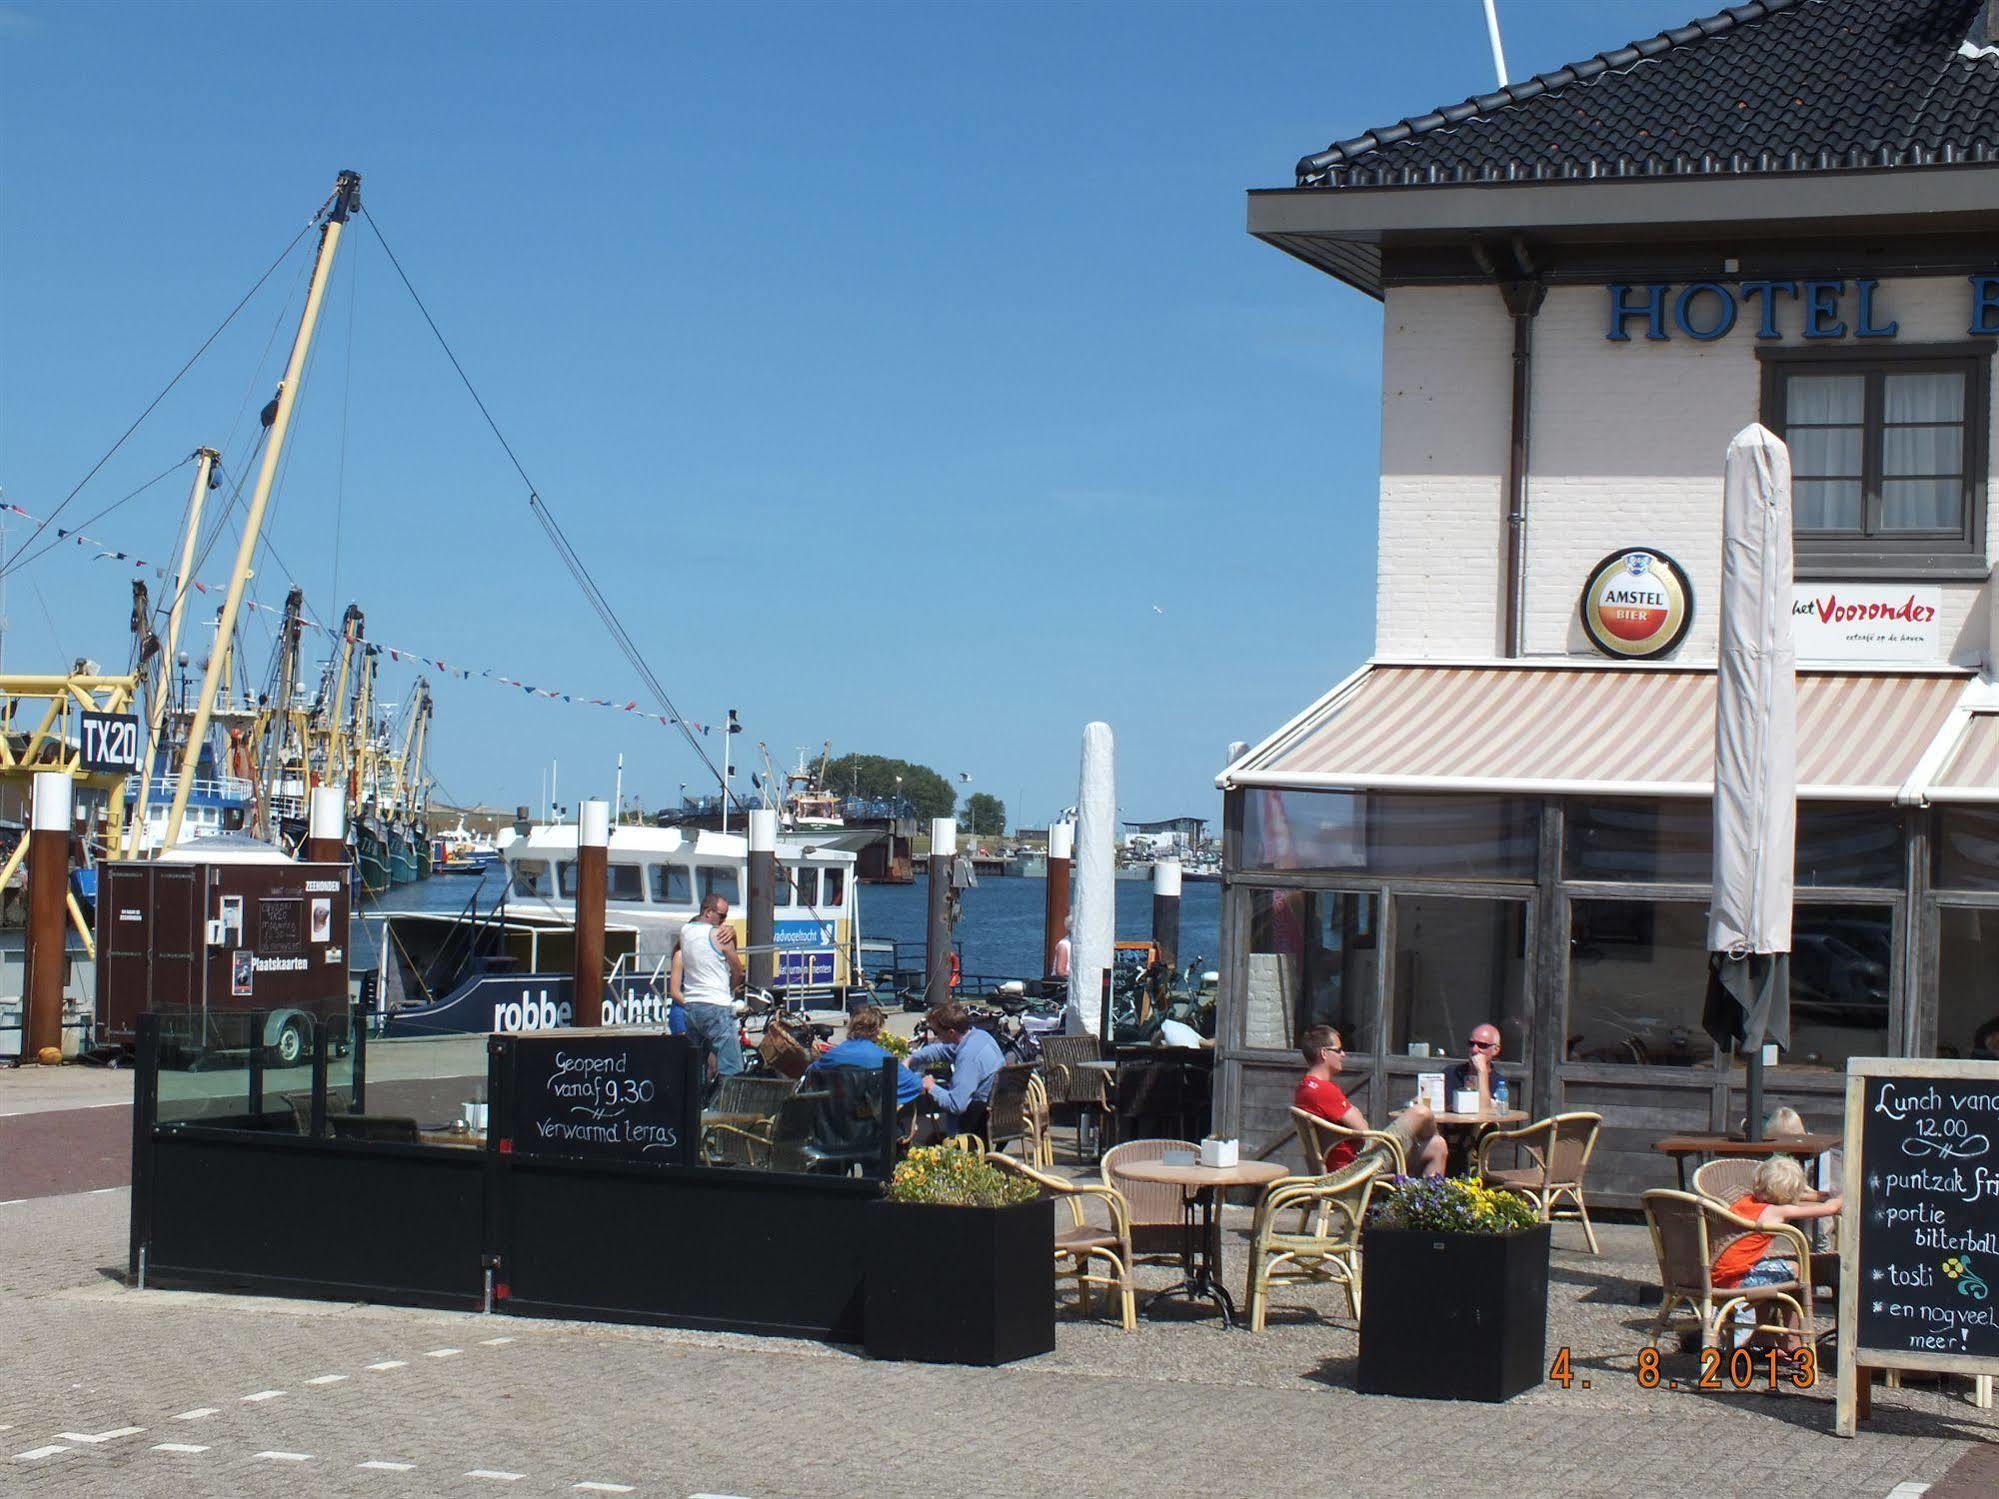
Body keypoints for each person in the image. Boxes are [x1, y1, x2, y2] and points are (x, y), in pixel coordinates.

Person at [1712, 1154, 1842, 1355]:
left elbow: (1805, 1201)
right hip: (1740, 1280)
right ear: (1791, 1192)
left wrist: (1817, 1196)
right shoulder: (1778, 1212)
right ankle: (1792, 1341)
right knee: (1797, 1269)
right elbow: (1830, 1209)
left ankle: (1763, 1334)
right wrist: (1848, 1193)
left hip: (1721, 1276)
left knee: (1773, 1268)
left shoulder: (1744, 1202)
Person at [1294, 1024, 1447, 1177]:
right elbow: (1364, 1130)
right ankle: (1426, 1141)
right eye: (1339, 1050)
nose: (1344, 1054)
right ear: (1324, 1053)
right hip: (1357, 1166)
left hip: (1351, 1163)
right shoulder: (1324, 1090)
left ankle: (1421, 1199)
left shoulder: (1305, 1088)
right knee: (1421, 1111)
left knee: (1437, 1145)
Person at [671, 893, 744, 1086]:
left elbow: (696, 925)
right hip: (716, 1005)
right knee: (732, 1066)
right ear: (709, 912)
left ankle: (696, 1107)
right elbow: (738, 969)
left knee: (697, 1066)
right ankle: (727, 1111)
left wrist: (730, 930)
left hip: (692, 1007)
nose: (724, 921)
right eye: (722, 916)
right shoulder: (719, 936)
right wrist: (731, 990)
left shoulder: (685, 931)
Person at [906, 1001, 1004, 1140]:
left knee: (923, 1134)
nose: (935, 1037)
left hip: (977, 1123)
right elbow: (943, 1050)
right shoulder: (980, 1036)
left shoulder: (968, 1057)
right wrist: (912, 1059)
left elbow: (956, 1105)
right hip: (1000, 1113)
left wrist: (931, 1086)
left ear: (951, 1032)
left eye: (936, 1032)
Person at [808, 1004, 922, 1107]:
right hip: (873, 1125)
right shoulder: (884, 1059)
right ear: (877, 1029)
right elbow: (915, 1086)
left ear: (851, 1026)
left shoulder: (830, 1057)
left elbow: (808, 1078)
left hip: (834, 1124)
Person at [1445, 1023, 1510, 1113]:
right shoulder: (1451, 1073)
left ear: (1495, 1050)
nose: (1474, 1050)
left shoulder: (1499, 1083)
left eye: (1482, 1045)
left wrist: (1482, 1072)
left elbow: (1484, 1113)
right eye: (1471, 1044)